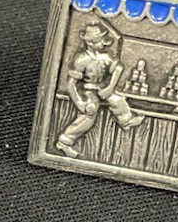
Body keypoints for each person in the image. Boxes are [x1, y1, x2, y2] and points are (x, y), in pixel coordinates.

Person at [55, 23, 145, 158]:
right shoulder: (81, 59)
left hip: (101, 88)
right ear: (90, 43)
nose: (104, 43)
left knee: (117, 100)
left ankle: (126, 122)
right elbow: (71, 84)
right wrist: (79, 103)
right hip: (87, 90)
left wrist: (110, 88)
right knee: (90, 111)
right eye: (100, 40)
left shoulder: (104, 57)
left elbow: (118, 68)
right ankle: (65, 141)